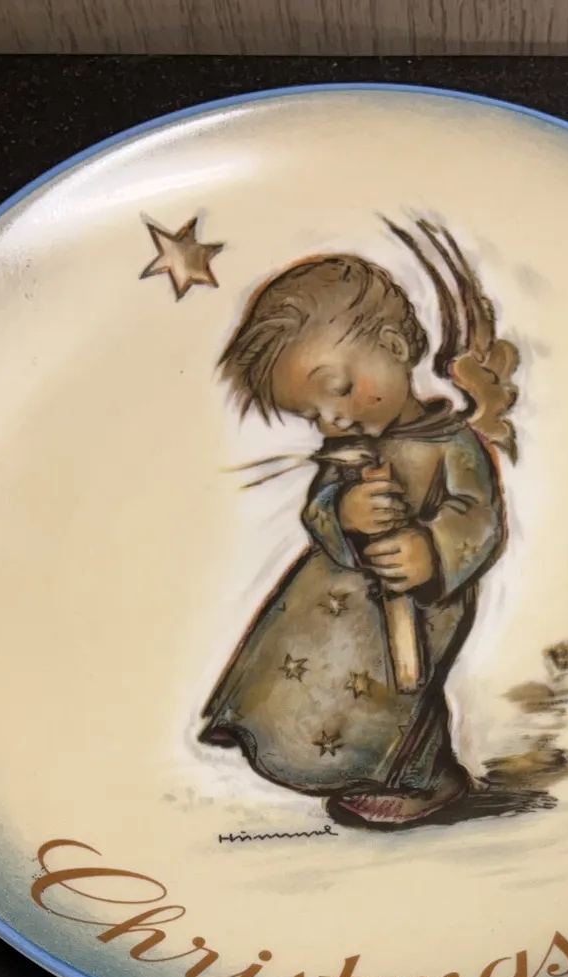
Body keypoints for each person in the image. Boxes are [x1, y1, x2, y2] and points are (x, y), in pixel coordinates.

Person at [199, 245, 512, 830]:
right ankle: (314, 751)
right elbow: (319, 512)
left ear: (393, 347)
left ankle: (424, 780)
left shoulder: (453, 445)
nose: (333, 421)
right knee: (326, 678)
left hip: (418, 600)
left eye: (339, 389)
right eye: (312, 415)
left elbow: (480, 519)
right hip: (331, 602)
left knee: (402, 687)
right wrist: (342, 513)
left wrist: (431, 551)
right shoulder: (350, 449)